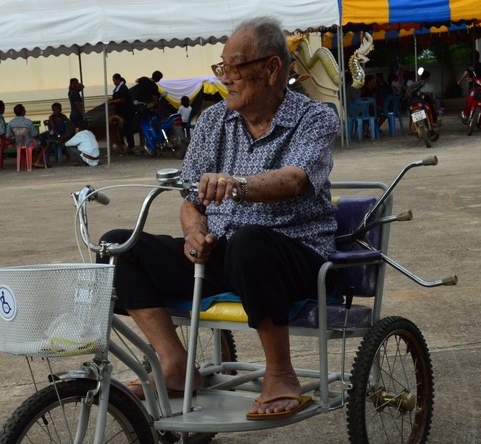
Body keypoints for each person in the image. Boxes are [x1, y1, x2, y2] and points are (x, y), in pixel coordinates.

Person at [97, 16, 340, 419]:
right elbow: (190, 198)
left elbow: (296, 179)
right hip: (224, 254)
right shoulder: (213, 121)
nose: (225, 77)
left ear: (272, 68)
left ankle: (281, 372)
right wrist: (194, 231)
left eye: (235, 67)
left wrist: (236, 185)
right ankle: (174, 364)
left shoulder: (315, 117)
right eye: (221, 67)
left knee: (250, 240)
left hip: (293, 257)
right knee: (117, 246)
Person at [6, 103, 48, 168]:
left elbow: (8, 136)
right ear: (23, 112)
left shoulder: (11, 123)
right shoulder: (28, 122)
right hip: (29, 143)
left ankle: (34, 161)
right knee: (46, 143)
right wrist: (40, 136)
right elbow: (35, 134)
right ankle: (37, 161)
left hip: (19, 144)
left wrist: (14, 142)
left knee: (32, 146)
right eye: (24, 110)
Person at [108, 73, 136, 154]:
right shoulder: (118, 88)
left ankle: (130, 146)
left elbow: (123, 99)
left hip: (126, 112)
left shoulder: (123, 88)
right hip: (120, 111)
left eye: (114, 80)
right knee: (121, 129)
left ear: (118, 80)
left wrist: (113, 101)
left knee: (127, 128)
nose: (114, 82)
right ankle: (122, 144)